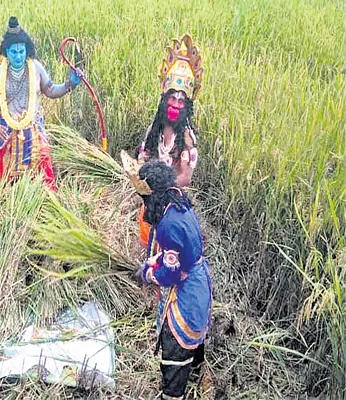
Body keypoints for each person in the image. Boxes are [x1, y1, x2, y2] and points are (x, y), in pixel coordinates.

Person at [122, 154, 212, 400]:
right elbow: (178, 252)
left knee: (174, 346)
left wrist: (150, 274)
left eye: (143, 200)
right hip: (198, 279)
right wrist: (155, 260)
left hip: (186, 294)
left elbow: (171, 273)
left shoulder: (167, 225)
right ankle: (196, 372)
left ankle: (173, 394)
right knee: (195, 339)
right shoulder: (179, 202)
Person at [0, 16, 82, 190]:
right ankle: (11, 210)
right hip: (7, 134)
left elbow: (51, 90)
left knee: (44, 176)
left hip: (35, 130)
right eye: (13, 52)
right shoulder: (0, 72)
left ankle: (47, 207)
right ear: (5, 52)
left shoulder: (35, 67)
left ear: (27, 50)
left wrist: (71, 84)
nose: (18, 56)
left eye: (21, 51)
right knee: (10, 184)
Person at [136, 34, 203, 248]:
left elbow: (185, 178)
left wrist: (160, 188)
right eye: (171, 99)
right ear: (164, 101)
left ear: (187, 107)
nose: (175, 104)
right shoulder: (154, 130)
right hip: (151, 199)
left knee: (167, 248)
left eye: (181, 101)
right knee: (146, 238)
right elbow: (144, 157)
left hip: (171, 203)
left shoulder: (186, 139)